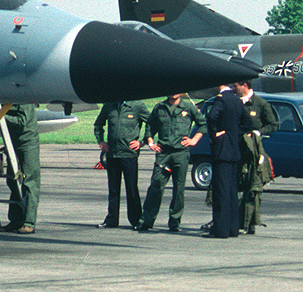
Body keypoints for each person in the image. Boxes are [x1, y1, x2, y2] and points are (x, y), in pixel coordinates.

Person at [137, 93, 204, 232]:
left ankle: (174, 222)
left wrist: (194, 140)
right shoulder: (160, 107)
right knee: (156, 186)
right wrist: (150, 142)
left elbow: (203, 124)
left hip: (180, 153)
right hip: (163, 153)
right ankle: (146, 221)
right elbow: (150, 125)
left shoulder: (188, 107)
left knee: (179, 189)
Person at [94, 100, 150, 228]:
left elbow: (151, 122)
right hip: (112, 154)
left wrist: (143, 142)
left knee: (131, 189)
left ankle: (136, 220)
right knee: (113, 189)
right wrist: (101, 142)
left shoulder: (137, 106)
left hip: (129, 154)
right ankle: (111, 220)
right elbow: (98, 124)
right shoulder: (109, 105)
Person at [206, 84, 251, 238]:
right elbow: (248, 122)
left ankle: (221, 229)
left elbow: (211, 116)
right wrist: (234, 132)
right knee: (232, 191)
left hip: (222, 150)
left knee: (221, 191)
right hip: (233, 150)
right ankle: (233, 228)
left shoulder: (221, 100)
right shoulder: (237, 100)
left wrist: (215, 134)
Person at [235, 81, 278, 234]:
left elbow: (273, 125)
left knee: (252, 187)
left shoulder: (260, 104)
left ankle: (250, 221)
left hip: (253, 152)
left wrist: (258, 133)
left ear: (244, 85)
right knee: (233, 185)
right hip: (236, 150)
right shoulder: (235, 102)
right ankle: (232, 220)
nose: (234, 89)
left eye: (236, 86)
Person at [0, 103, 40, 234]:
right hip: (12, 141)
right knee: (12, 181)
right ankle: (16, 220)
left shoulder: (24, 99)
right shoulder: (6, 98)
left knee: (30, 181)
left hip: (27, 143)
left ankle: (29, 222)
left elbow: (22, 121)